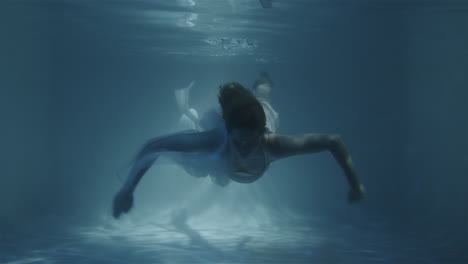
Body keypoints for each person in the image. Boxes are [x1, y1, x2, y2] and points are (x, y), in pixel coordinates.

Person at [112, 82, 365, 218]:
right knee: (205, 168)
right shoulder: (216, 139)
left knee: (263, 96)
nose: (244, 148)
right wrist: (128, 189)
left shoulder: (273, 144)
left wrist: (355, 184)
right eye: (239, 141)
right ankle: (187, 112)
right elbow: (153, 146)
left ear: (261, 135)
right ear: (228, 130)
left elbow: (334, 141)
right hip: (222, 153)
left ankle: (263, 84)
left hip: (260, 118)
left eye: (250, 142)